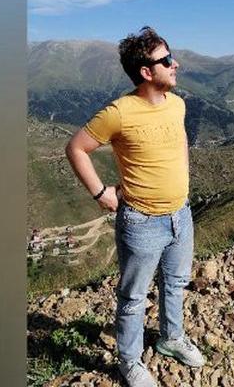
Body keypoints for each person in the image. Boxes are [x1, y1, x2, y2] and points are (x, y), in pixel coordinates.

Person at [65, 26, 205, 387]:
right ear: (146, 72)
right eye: (167, 60)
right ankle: (129, 361)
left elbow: (180, 143)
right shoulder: (119, 112)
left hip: (180, 214)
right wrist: (101, 193)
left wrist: (182, 181)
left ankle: (171, 339)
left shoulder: (177, 104)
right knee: (133, 297)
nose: (176, 64)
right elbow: (76, 147)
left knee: (175, 283)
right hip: (141, 221)